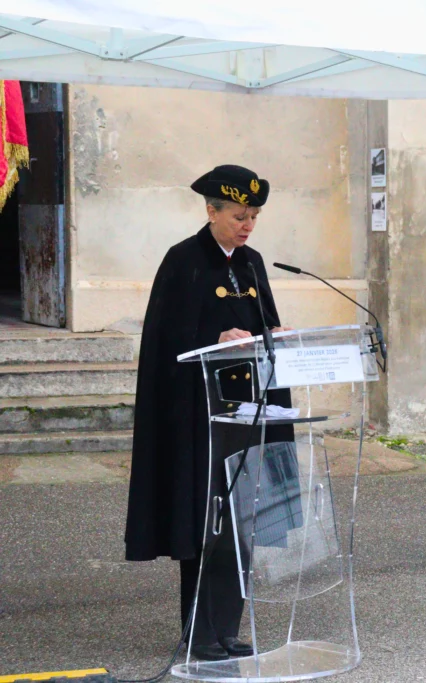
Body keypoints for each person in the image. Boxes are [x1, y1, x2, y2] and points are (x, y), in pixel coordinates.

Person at [124, 165, 294, 661]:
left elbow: (267, 322)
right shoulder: (184, 261)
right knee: (207, 521)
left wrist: (274, 337)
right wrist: (213, 341)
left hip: (248, 413)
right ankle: (199, 634)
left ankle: (228, 630)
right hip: (201, 417)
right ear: (211, 210)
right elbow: (165, 341)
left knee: (243, 520)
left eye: (255, 216)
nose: (248, 225)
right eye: (240, 215)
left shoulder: (252, 262)